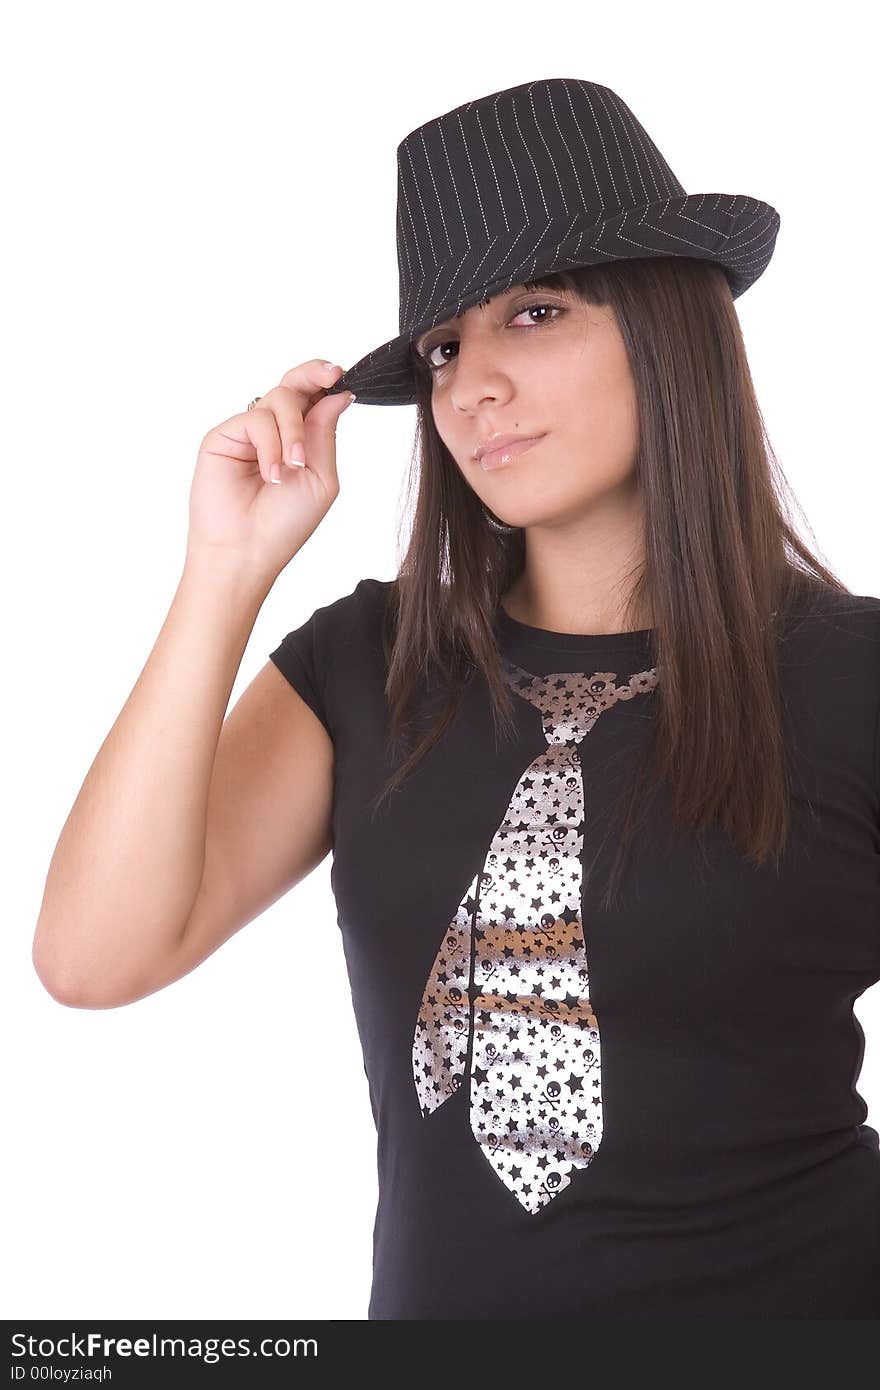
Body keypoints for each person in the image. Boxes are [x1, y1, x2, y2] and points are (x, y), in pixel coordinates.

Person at [32, 78, 880, 1319]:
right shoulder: (370, 666)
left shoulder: (854, 678)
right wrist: (226, 571)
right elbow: (93, 957)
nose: (470, 385)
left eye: (533, 314)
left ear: (669, 326)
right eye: (443, 348)